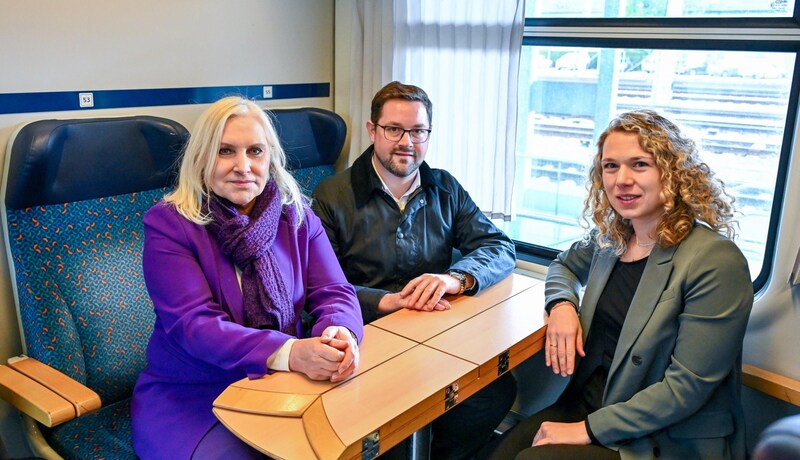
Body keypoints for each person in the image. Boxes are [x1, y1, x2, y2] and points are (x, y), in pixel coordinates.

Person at [482, 109, 753, 460]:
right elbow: (563, 266)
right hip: (594, 403)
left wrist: (586, 430)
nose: (621, 179)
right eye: (611, 166)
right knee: (501, 454)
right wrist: (562, 305)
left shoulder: (716, 261)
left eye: (639, 164)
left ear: (671, 173)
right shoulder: (613, 239)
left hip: (665, 437)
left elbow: (685, 389)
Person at [131, 96, 364, 460]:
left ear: (269, 157)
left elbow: (334, 291)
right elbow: (195, 325)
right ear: (202, 158)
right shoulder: (170, 224)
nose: (243, 166)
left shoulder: (296, 216)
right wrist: (289, 353)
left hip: (285, 384)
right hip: (194, 395)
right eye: (226, 151)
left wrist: (339, 333)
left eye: (255, 151)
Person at [312, 81, 517, 460]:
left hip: (435, 333)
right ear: (373, 131)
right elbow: (319, 287)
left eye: (418, 131)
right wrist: (385, 301)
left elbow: (499, 247)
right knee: (390, 432)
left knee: (495, 394)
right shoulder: (332, 196)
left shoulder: (445, 188)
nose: (406, 141)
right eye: (394, 129)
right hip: (367, 334)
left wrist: (455, 278)